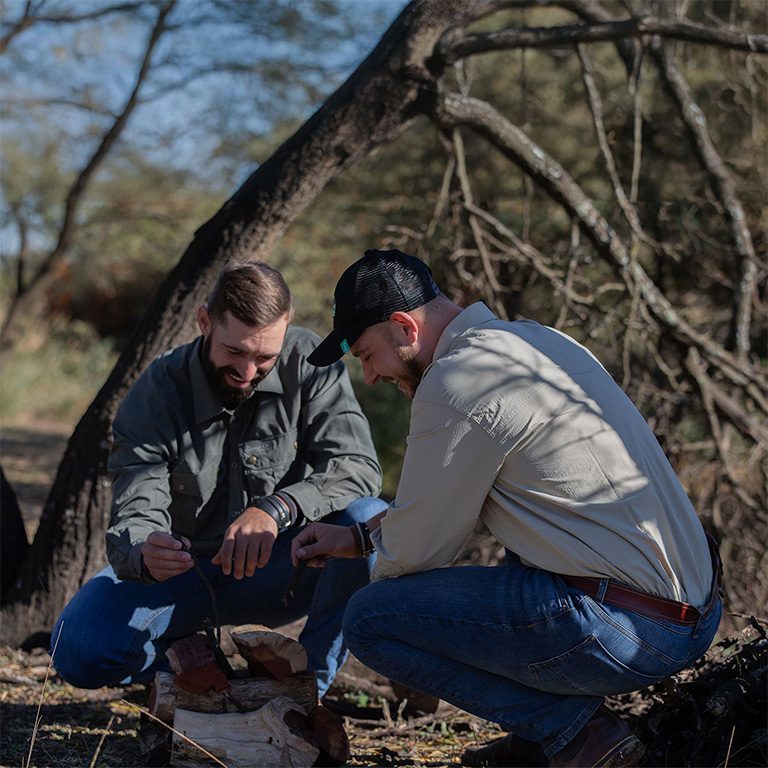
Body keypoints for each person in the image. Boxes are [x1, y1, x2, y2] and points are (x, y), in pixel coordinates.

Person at [292, 248, 723, 767]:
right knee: (526, 546)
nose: (370, 376)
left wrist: (378, 556)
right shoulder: (536, 340)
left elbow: (416, 553)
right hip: (693, 614)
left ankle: (575, 733)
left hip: (631, 631)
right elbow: (464, 501)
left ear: (405, 328)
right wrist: (361, 536)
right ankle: (534, 742)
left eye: (365, 354)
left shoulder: (455, 382)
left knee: (371, 619)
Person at [52, 261, 386, 697]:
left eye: (265, 357)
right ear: (205, 321)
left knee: (368, 518)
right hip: (185, 573)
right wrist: (145, 551)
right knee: (78, 649)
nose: (248, 372)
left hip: (283, 567)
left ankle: (305, 694)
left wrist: (277, 509)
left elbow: (359, 468)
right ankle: (200, 674)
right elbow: (137, 502)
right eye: (235, 353)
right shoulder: (156, 391)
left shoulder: (312, 362)